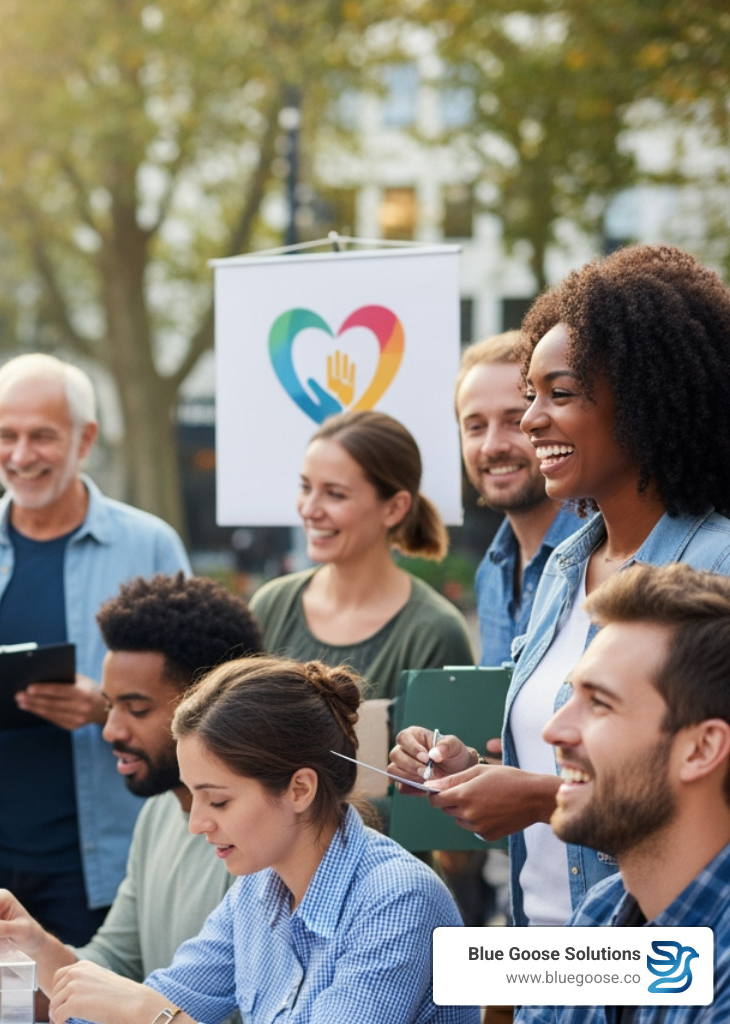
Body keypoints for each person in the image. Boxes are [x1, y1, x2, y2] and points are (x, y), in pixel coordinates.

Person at [391, 244, 730, 928]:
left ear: (644, 400)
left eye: (561, 393)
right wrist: (472, 770)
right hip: (546, 956)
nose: (531, 420)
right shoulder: (563, 569)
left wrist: (543, 798)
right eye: (529, 396)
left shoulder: (717, 569)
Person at [0, 353, 191, 946]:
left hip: (101, 871)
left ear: (86, 439)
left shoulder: (150, 546)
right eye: (8, 435)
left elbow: (203, 702)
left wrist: (107, 709)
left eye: (42, 436)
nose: (21, 455)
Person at [44, 656, 475, 1024]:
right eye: (193, 796)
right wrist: (32, 946)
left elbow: (152, 1009)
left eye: (217, 800)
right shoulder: (258, 889)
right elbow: (144, 1001)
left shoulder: (398, 900)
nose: (196, 824)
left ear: (299, 789)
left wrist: (154, 1015)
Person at [0, 573, 262, 992]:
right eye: (108, 706)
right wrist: (31, 942)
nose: (110, 730)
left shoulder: (263, 835)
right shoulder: (157, 812)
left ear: (211, 705)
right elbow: (114, 962)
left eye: (136, 709)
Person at [514, 563, 730, 1024]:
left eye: (600, 704)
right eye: (571, 696)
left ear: (703, 748)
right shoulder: (599, 913)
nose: (553, 730)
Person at [251, 410, 472, 702]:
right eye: (306, 487)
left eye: (335, 494)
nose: (309, 509)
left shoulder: (434, 632)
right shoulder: (270, 606)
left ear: (394, 508)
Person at [457, 332, 583, 668]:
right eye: (475, 426)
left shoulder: (606, 559)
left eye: (515, 421)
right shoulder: (491, 573)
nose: (492, 446)